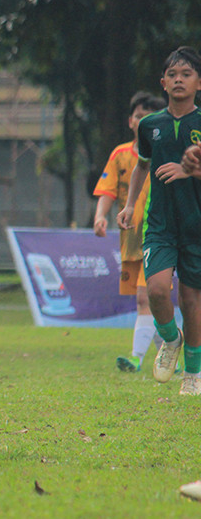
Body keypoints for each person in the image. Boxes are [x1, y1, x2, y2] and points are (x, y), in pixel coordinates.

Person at [118, 46, 201, 396]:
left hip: (196, 226)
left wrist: (189, 170)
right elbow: (141, 165)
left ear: (199, 82)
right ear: (163, 82)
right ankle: (170, 338)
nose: (179, 79)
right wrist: (129, 205)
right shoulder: (150, 126)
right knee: (155, 290)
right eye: (172, 74)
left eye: (187, 74)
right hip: (160, 225)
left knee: (191, 301)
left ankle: (193, 373)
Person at [93, 91, 166, 372]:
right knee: (152, 303)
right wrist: (100, 216)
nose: (142, 121)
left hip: (159, 237)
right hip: (130, 240)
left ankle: (136, 358)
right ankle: (169, 354)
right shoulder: (120, 155)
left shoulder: (166, 153)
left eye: (149, 116)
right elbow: (108, 189)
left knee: (145, 298)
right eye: (138, 116)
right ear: (130, 121)